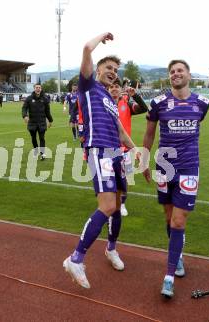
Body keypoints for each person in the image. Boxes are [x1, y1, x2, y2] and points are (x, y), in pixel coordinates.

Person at [62, 32, 136, 289]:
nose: (113, 72)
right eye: (108, 67)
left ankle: (111, 248)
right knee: (106, 206)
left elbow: (121, 132)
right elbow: (85, 48)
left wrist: (136, 149)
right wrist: (101, 37)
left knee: (117, 204)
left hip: (115, 153)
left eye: (115, 69)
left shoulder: (111, 100)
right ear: (98, 69)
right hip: (98, 151)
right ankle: (76, 258)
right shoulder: (88, 85)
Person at [142, 59, 209, 299]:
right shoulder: (158, 103)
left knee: (178, 223)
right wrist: (143, 161)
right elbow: (150, 133)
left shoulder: (202, 103)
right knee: (170, 218)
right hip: (164, 167)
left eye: (180, 70)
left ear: (189, 75)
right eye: (172, 71)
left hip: (189, 168)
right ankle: (178, 253)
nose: (175, 74)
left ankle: (169, 277)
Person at [108, 78, 148, 216]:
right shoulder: (102, 105)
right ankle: (110, 203)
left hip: (125, 149)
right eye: (111, 86)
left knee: (125, 179)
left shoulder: (127, 104)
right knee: (108, 178)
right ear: (108, 89)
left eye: (116, 86)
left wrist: (135, 96)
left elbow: (144, 108)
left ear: (120, 89)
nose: (114, 88)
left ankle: (122, 204)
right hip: (107, 149)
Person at [22, 83, 53, 161]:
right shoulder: (29, 99)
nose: (38, 89)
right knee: (33, 138)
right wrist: (25, 116)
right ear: (34, 89)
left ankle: (42, 154)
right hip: (32, 122)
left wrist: (50, 120)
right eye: (36, 87)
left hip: (42, 122)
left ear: (41, 89)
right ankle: (36, 151)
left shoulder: (45, 99)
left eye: (39, 87)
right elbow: (24, 108)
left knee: (42, 138)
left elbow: (47, 111)